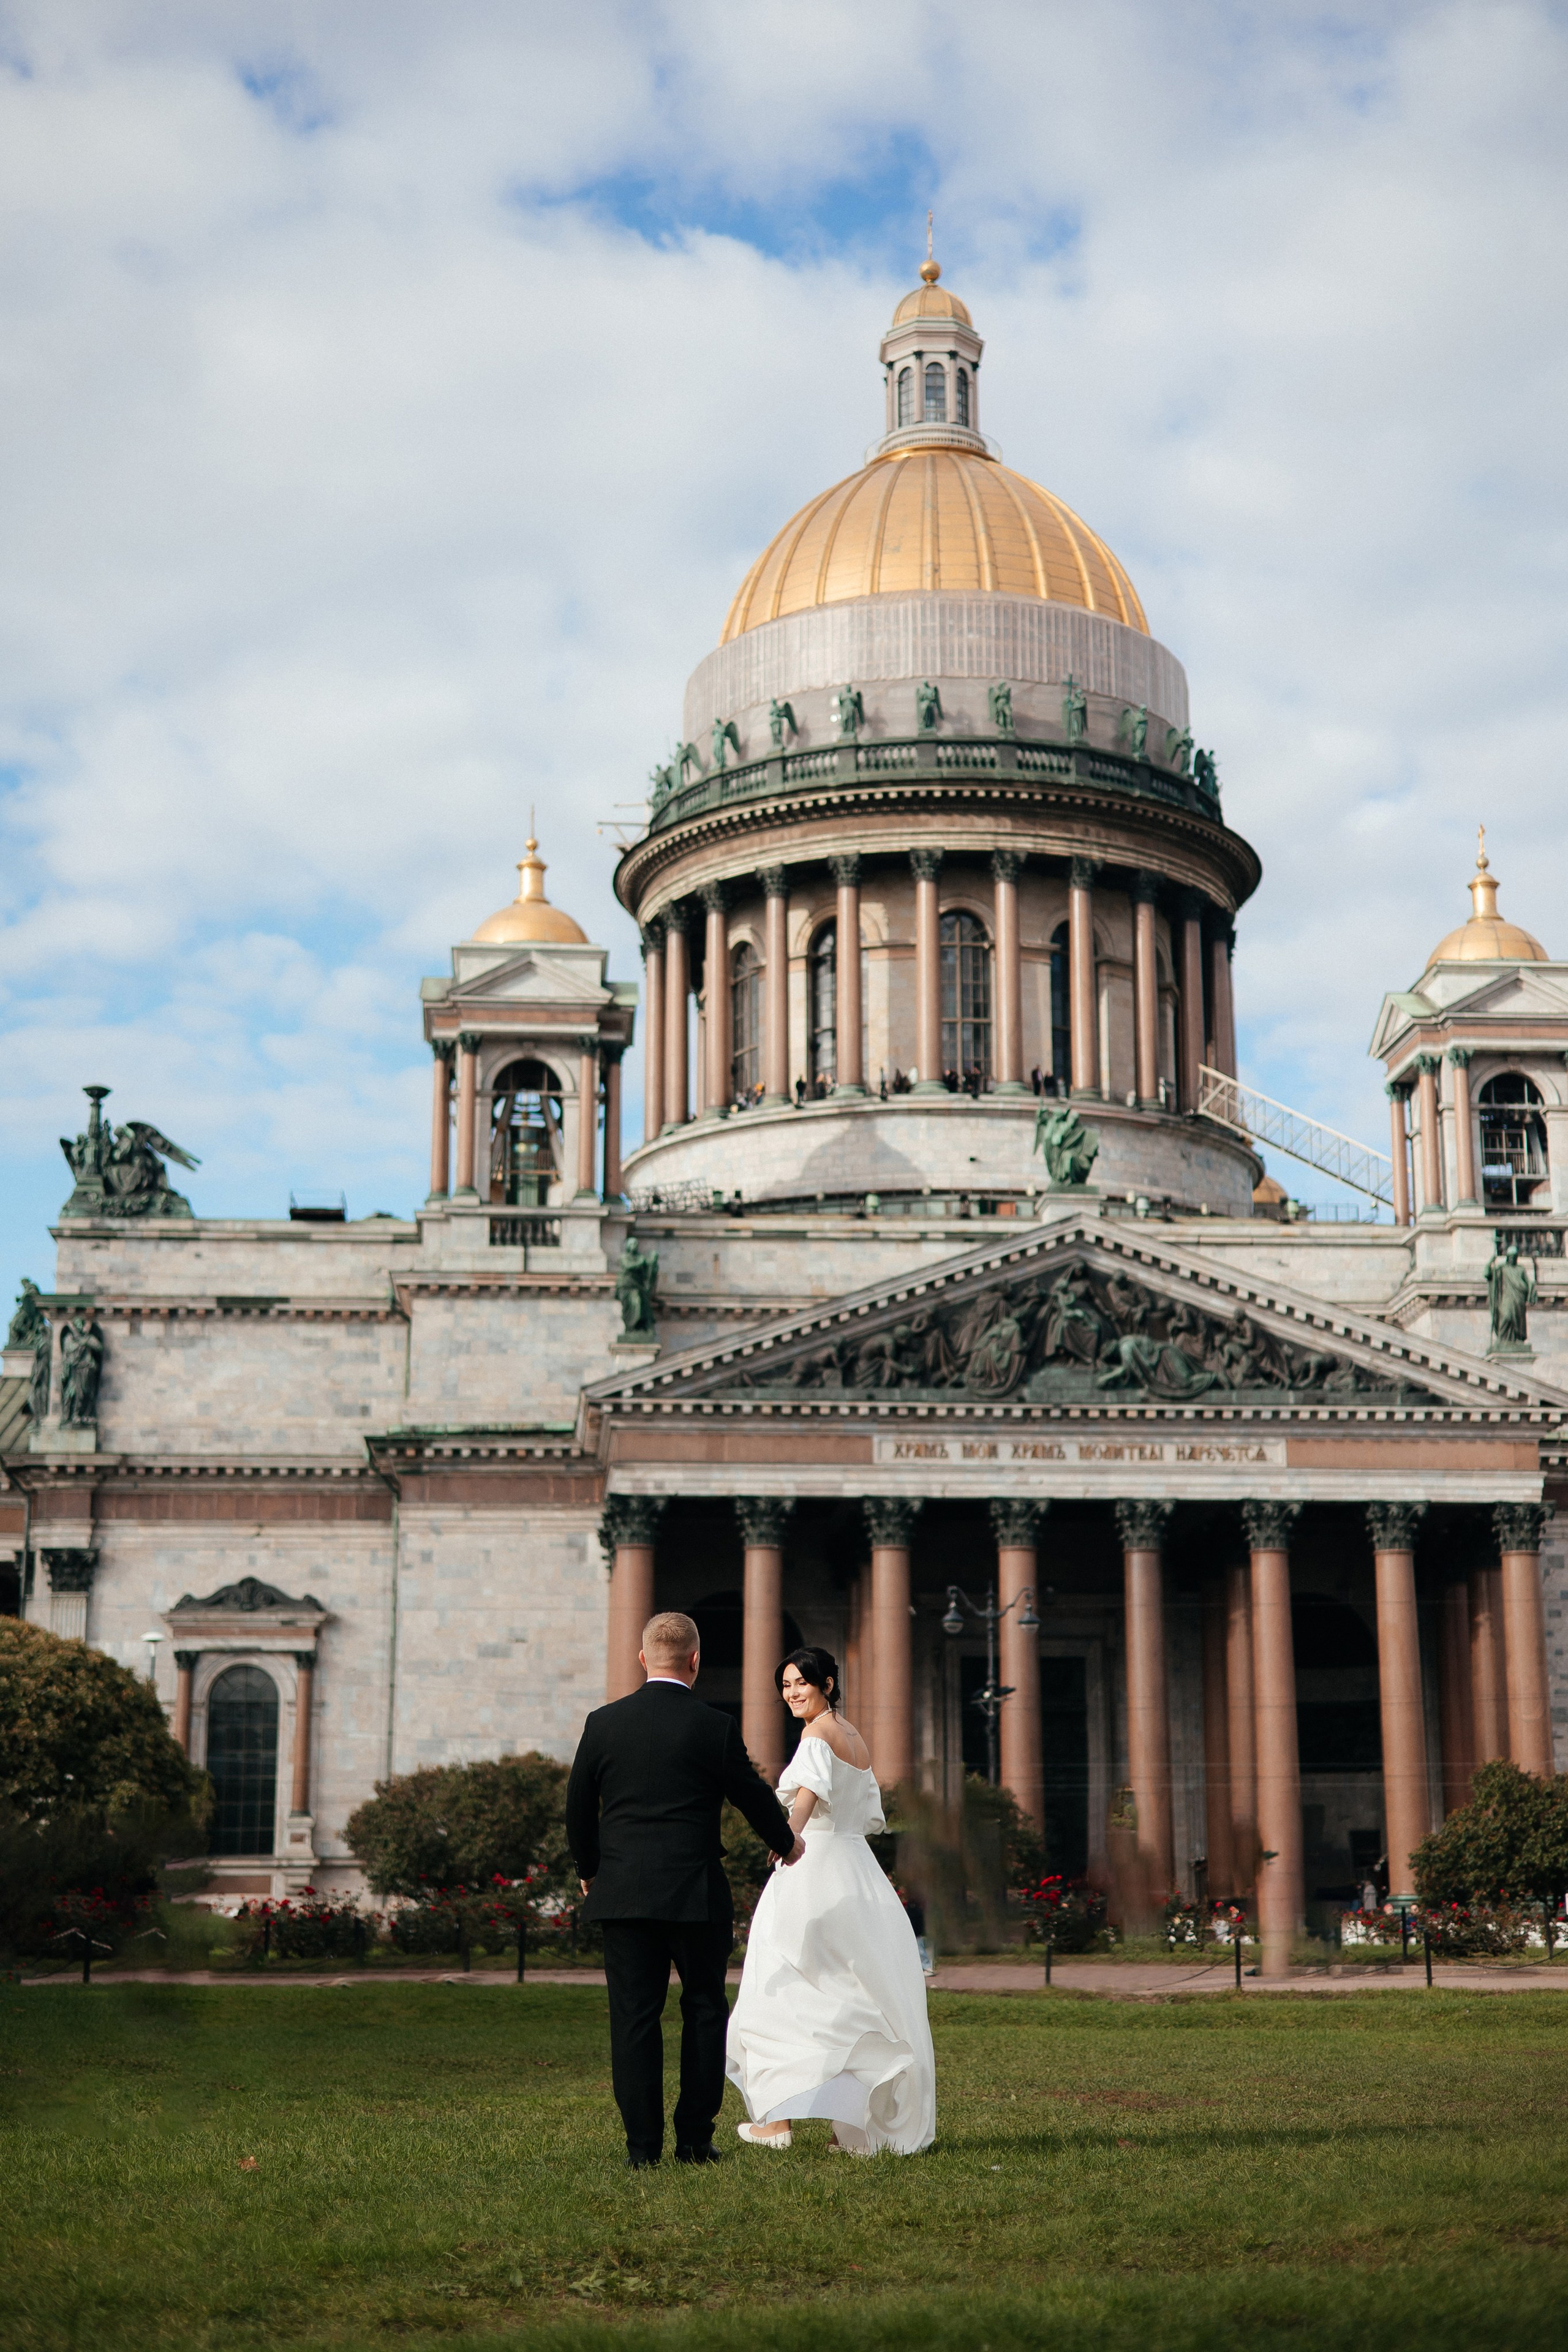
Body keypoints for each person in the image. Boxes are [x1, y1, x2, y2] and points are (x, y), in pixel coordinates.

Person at [566, 1610, 802, 2169]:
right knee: (704, 2011)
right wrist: (786, 1842)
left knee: (633, 2019)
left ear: (643, 1659)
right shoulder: (713, 1725)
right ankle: (695, 2141)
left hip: (623, 1893)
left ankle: (641, 2151)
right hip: (695, 1893)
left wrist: (590, 1867)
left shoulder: (602, 1723)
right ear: (695, 1660)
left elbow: (578, 1806)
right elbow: (751, 1795)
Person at [725, 1647, 936, 2157]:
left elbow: (808, 1799)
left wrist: (785, 1842)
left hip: (813, 1867)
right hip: (857, 1873)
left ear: (827, 1683)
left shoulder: (815, 1734)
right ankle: (854, 2128)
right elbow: (858, 1812)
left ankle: (776, 2124)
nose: (792, 1693)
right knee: (848, 1992)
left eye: (801, 1683)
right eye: (786, 1686)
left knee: (777, 1988)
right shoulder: (855, 1737)